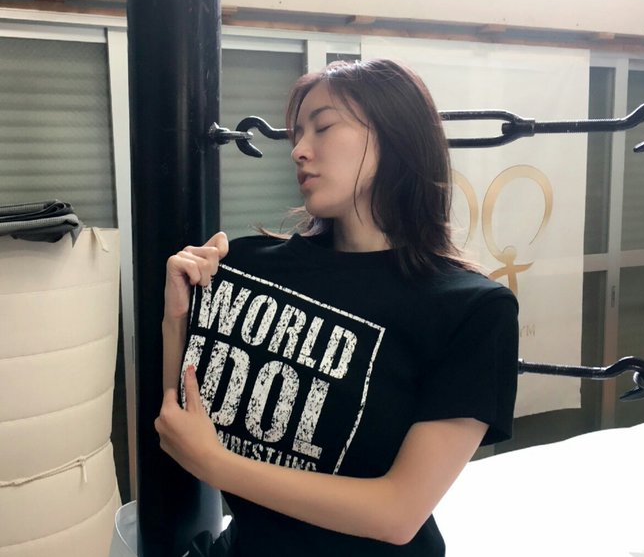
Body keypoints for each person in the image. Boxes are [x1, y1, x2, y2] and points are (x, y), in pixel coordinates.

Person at [155, 58, 519, 556]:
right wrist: (177, 315)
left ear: (396, 135)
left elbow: (398, 514)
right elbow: (180, 422)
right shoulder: (250, 265)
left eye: (323, 127)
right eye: (297, 134)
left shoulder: (471, 310)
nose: (299, 150)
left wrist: (217, 465)